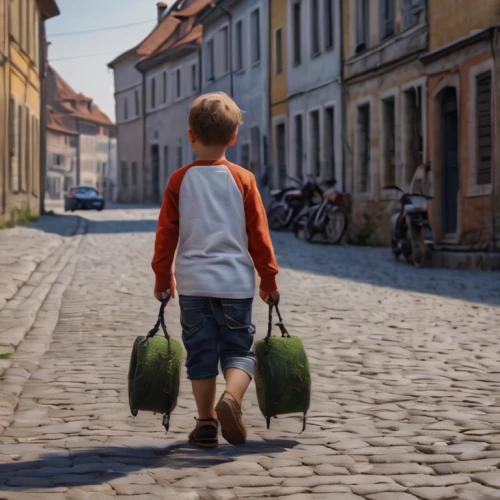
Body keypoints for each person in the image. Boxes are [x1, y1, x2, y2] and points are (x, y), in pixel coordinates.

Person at [151, 92, 280, 448]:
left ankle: (206, 422)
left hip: (194, 285)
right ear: (233, 138)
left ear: (190, 136)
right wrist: (268, 278)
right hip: (235, 284)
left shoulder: (179, 180)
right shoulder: (244, 179)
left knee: (201, 355)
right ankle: (232, 398)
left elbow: (166, 235)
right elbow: (259, 235)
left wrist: (164, 278)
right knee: (239, 351)